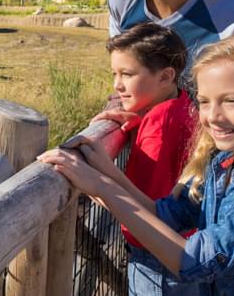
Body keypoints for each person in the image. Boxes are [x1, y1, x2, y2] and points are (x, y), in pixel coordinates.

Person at [41, 30, 234, 295]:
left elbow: (195, 260)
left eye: (231, 101)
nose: (213, 116)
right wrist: (105, 173)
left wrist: (101, 187)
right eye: (204, 101)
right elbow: (163, 214)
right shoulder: (223, 165)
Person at [86, 22, 201, 295]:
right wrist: (139, 122)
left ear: (165, 76)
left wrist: (94, 178)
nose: (117, 85)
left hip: (157, 259)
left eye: (127, 74)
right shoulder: (181, 104)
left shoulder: (159, 125)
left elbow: (146, 208)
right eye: (114, 73)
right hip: (182, 249)